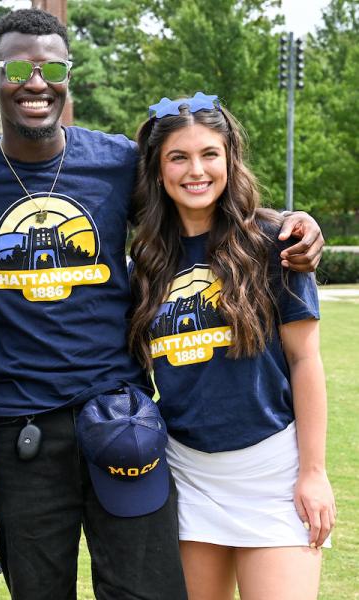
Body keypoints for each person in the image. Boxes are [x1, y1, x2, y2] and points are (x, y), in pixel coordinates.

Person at [0, 9, 326, 600]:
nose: (36, 81)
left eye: (52, 67)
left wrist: (288, 224)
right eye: (18, 66)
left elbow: (200, 191)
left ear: (69, 74)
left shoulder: (120, 163)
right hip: (24, 432)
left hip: (122, 419)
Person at [127, 92, 335, 600]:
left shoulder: (277, 242)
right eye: (178, 157)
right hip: (188, 474)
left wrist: (313, 473)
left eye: (209, 154)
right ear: (158, 171)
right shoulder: (147, 260)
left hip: (273, 474)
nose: (195, 170)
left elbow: (306, 360)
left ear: (230, 160)